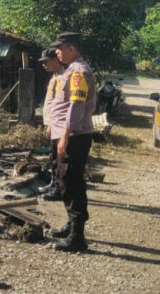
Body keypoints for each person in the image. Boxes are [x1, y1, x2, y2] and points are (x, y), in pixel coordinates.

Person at [48, 32, 97, 252]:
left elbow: (76, 106)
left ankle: (78, 236)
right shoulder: (70, 70)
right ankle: (72, 224)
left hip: (74, 135)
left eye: (60, 48)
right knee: (65, 180)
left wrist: (66, 135)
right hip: (68, 134)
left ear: (72, 48)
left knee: (72, 182)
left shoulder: (78, 71)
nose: (56, 52)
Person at [37, 48, 63, 200]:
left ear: (55, 60)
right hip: (53, 124)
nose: (44, 65)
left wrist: (52, 124)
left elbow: (60, 105)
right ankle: (54, 184)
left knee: (58, 159)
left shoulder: (63, 77)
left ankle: (58, 189)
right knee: (53, 156)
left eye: (46, 62)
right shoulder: (55, 76)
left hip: (58, 124)